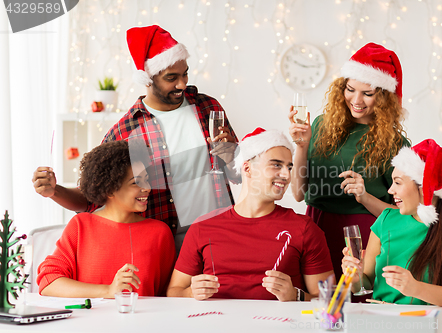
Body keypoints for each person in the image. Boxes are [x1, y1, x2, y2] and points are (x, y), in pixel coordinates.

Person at [32, 25, 239, 252]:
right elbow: (91, 196)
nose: (182, 84)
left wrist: (232, 156)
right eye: (172, 78)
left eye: (185, 74)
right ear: (148, 78)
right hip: (167, 245)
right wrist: (55, 192)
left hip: (220, 234)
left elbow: (238, 171)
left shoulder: (207, 107)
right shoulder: (126, 131)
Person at [167, 128, 334, 301]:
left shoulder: (304, 228)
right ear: (247, 168)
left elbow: (329, 297)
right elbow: (173, 291)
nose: (286, 175)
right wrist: (190, 293)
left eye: (289, 167)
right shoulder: (203, 226)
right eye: (276, 165)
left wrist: (296, 295)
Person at [288, 42, 410, 279]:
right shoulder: (320, 126)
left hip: (364, 236)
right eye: (350, 89)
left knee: (357, 305)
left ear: (383, 97)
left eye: (368, 93)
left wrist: (364, 197)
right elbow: (298, 193)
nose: (356, 100)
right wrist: (301, 147)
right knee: (317, 304)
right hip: (316, 228)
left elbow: (404, 215)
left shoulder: (395, 144)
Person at [341, 139, 442, 311]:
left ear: (424, 188)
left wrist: (415, 289)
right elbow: (367, 283)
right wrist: (355, 279)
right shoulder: (386, 219)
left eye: (398, 182)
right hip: (381, 322)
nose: (390, 190)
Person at [37, 140, 176, 298]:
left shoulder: (160, 233)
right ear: (110, 189)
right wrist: (108, 291)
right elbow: (49, 282)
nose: (147, 188)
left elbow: (168, 294)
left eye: (146, 179)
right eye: (136, 182)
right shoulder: (81, 226)